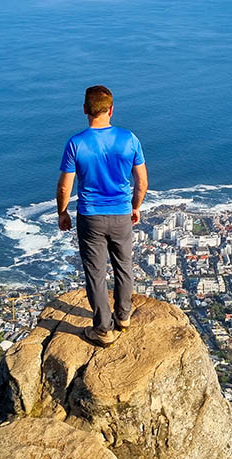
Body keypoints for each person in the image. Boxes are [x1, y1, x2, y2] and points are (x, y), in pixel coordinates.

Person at [56, 85, 148, 346]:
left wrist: (62, 212)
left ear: (85, 109)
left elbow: (65, 186)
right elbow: (141, 181)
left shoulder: (76, 143)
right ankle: (124, 317)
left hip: (90, 216)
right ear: (111, 109)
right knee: (124, 267)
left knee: (95, 273)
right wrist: (135, 206)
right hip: (120, 214)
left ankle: (103, 329)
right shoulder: (129, 139)